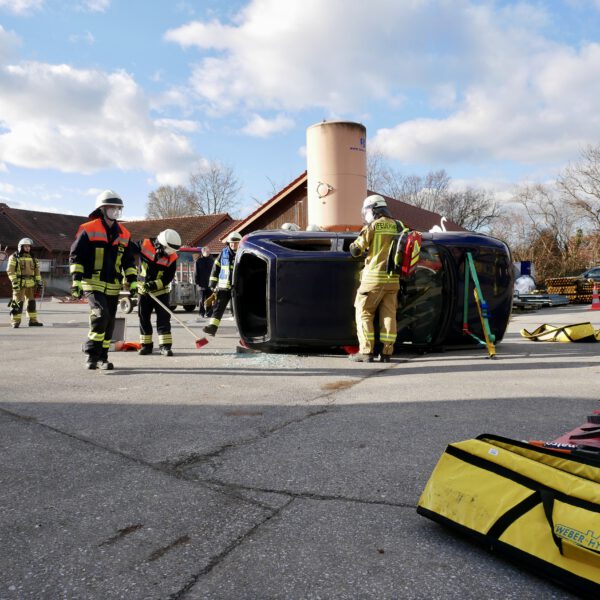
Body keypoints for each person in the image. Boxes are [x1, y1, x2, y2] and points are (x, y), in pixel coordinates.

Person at [69, 190, 138, 370]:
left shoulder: (124, 233)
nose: (116, 211)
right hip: (92, 282)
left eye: (118, 208)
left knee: (109, 322)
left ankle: (103, 358)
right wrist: (76, 281)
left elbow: (128, 261)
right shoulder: (88, 229)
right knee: (101, 315)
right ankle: (91, 354)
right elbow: (76, 256)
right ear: (102, 209)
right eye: (112, 207)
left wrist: (132, 281)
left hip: (113, 286)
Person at [349, 194, 407, 363]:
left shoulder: (374, 225)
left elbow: (356, 250)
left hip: (373, 279)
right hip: (393, 280)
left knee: (364, 313)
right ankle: (387, 352)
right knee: (389, 315)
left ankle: (366, 352)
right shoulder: (399, 225)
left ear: (372, 210)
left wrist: (354, 244)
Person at [136, 229, 181, 357]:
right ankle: (146, 346)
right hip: (143, 291)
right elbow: (128, 254)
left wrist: (153, 285)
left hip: (161, 291)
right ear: (161, 244)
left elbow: (168, 277)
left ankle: (165, 347)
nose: (169, 254)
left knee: (163, 319)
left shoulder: (172, 256)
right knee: (144, 318)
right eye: (168, 250)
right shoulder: (144, 245)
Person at [203, 231, 242, 336]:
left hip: (238, 287)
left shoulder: (243, 253)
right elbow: (216, 268)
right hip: (224, 287)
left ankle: (242, 331)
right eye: (231, 242)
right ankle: (212, 328)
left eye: (236, 243)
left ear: (239, 243)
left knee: (238, 310)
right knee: (218, 307)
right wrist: (212, 283)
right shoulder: (223, 252)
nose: (233, 244)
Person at [7, 237, 44, 328]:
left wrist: (39, 282)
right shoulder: (14, 257)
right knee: (17, 302)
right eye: (25, 246)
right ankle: (15, 322)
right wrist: (14, 282)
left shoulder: (33, 258)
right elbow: (10, 271)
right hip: (19, 283)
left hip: (31, 284)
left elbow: (37, 272)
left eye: (29, 246)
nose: (28, 248)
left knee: (31, 303)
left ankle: (33, 321)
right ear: (20, 247)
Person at [194, 246, 215, 317]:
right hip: (201, 284)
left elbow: (214, 272)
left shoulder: (212, 261)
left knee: (209, 299)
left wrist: (214, 283)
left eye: (209, 251)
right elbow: (196, 272)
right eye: (207, 251)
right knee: (201, 299)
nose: (208, 252)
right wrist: (196, 282)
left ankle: (209, 313)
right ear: (203, 252)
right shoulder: (198, 261)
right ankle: (201, 313)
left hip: (210, 284)